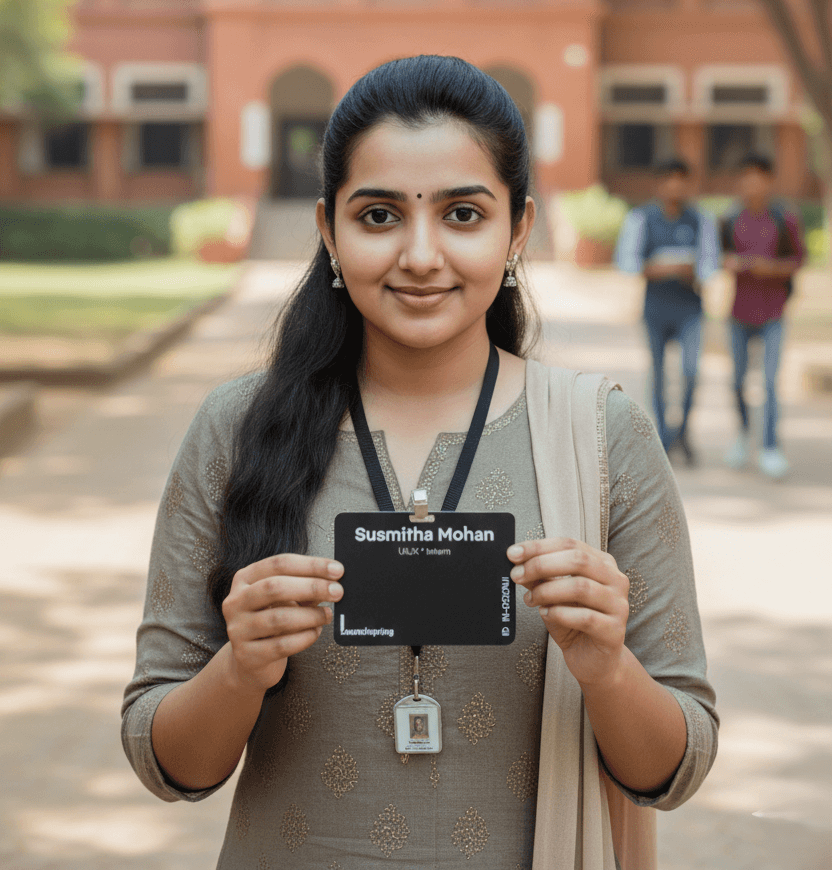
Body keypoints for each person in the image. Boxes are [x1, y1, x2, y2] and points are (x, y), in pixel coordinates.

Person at [122, 56, 717, 869]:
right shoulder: (236, 427)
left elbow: (677, 768)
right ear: (330, 230)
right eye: (379, 217)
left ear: (519, 230)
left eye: (464, 214)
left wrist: (607, 669)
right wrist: (240, 667)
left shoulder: (602, 433)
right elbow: (166, 763)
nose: (421, 255)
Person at [615, 159, 720, 463]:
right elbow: (628, 263)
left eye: (681, 180)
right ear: (658, 184)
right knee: (659, 374)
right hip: (656, 308)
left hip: (691, 309)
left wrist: (693, 270)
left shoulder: (701, 220)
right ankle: (662, 435)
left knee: (691, 373)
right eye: (668, 180)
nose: (674, 186)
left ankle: (683, 432)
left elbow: (710, 264)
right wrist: (662, 268)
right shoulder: (642, 219)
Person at [720, 152, 805, 479]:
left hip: (773, 313)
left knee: (769, 382)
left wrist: (772, 268)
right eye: (746, 176)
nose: (752, 184)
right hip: (739, 312)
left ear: (769, 181)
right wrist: (731, 263)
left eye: (759, 177)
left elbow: (798, 261)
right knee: (738, 380)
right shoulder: (730, 219)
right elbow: (718, 256)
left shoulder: (785, 219)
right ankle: (743, 434)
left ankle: (770, 446)